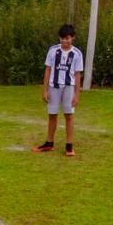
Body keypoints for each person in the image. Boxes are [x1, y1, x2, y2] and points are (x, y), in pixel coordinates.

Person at [34, 23, 84, 158]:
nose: (64, 41)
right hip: (53, 87)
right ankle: (49, 143)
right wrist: (44, 90)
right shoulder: (53, 50)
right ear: (59, 38)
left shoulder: (77, 54)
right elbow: (48, 70)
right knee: (52, 115)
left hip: (68, 88)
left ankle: (69, 146)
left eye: (67, 38)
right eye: (62, 38)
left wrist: (77, 95)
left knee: (69, 116)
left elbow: (78, 75)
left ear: (72, 38)